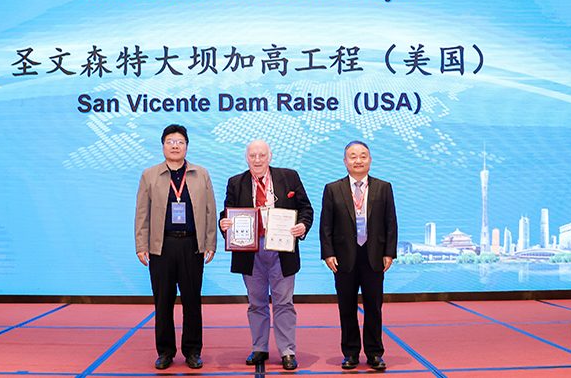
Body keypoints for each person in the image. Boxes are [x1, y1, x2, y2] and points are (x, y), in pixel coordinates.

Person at [219, 140, 313, 370]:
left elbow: (306, 209)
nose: (258, 159)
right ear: (247, 158)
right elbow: (227, 212)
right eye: (253, 155)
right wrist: (224, 223)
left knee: (283, 302)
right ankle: (259, 348)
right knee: (256, 303)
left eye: (262, 155)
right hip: (250, 252)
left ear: (270, 156)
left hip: (282, 250)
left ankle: (287, 351)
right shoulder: (236, 182)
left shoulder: (289, 177)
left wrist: (302, 226)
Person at [135, 124, 217, 370]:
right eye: (170, 141)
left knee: (192, 300)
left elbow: (210, 211)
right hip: (162, 246)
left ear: (187, 146)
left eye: (180, 141)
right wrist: (141, 244)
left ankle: (193, 351)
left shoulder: (201, 174)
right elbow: (142, 214)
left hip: (192, 245)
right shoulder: (149, 175)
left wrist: (210, 242)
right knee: (163, 302)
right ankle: (165, 352)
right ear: (162, 146)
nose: (175, 145)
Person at [319, 141, 398, 371]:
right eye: (353, 156)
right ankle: (351, 353)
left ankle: (374, 353)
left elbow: (391, 223)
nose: (358, 160)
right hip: (344, 257)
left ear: (370, 160)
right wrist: (328, 253)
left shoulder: (384, 187)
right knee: (347, 307)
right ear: (345, 161)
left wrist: (389, 252)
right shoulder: (333, 188)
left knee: (374, 307)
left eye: (363, 156)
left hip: (374, 256)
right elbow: (326, 225)